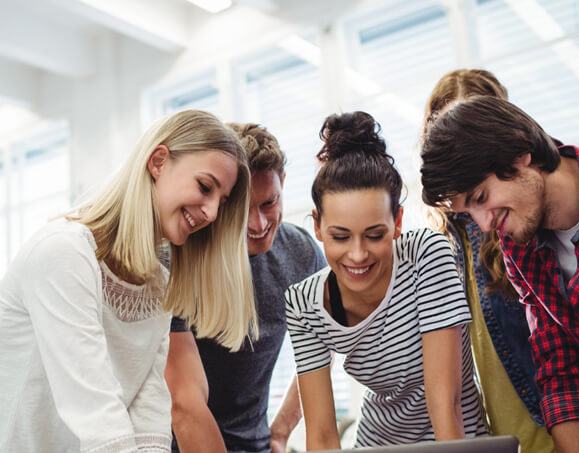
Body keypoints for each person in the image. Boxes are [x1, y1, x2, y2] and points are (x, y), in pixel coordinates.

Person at [420, 95, 579, 452]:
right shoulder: (520, 250)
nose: (484, 224)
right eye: (467, 212)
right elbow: (565, 375)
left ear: (519, 153)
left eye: (480, 196)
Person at [0, 109, 257, 452]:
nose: (210, 213)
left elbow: (148, 414)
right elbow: (96, 413)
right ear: (158, 162)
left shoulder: (158, 284)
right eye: (205, 186)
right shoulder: (64, 253)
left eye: (220, 203)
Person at [285, 111, 487, 451]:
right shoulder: (304, 304)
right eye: (340, 237)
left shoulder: (426, 254)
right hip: (376, 443)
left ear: (397, 222)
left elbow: (445, 402)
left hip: (456, 442)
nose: (358, 254)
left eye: (374, 235)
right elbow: (320, 435)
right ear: (318, 226)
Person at [165, 123, 326, 453]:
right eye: (242, 210)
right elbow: (184, 407)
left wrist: (280, 431)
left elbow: (325, 342)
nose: (258, 224)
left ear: (283, 183)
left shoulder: (302, 253)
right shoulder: (177, 258)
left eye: (269, 203)